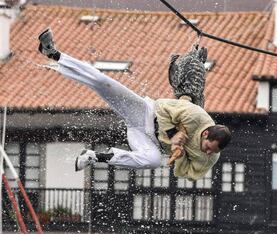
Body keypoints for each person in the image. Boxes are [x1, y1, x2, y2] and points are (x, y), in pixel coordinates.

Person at [37, 28, 231, 181]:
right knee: (102, 82)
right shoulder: (196, 116)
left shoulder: (210, 157)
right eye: (208, 147)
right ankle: (53, 53)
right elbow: (162, 106)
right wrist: (174, 134)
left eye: (212, 151)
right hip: (145, 114)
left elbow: (185, 173)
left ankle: (94, 157)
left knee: (153, 161)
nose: (207, 152)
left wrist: (178, 153)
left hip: (148, 141)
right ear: (206, 133)